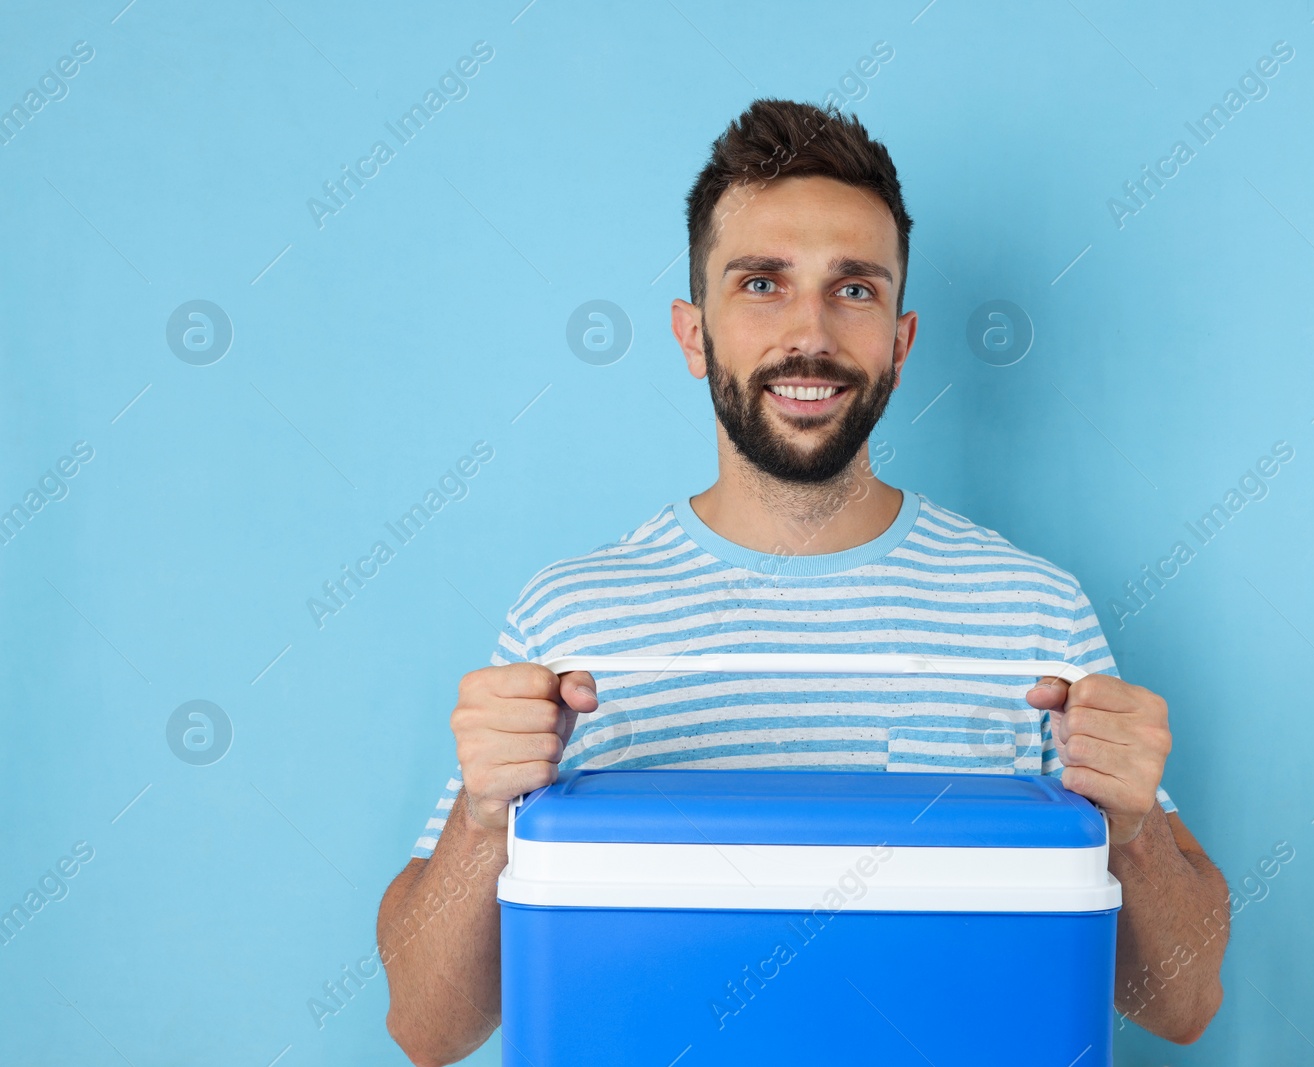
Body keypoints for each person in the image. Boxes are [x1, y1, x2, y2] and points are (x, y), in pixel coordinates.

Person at [379, 98, 1228, 1065]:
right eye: (761, 283)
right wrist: (485, 817)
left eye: (854, 289)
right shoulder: (571, 617)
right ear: (693, 333)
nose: (810, 333)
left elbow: (1184, 1004)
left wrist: (1135, 831)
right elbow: (425, 1026)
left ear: (900, 344)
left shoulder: (1034, 612)